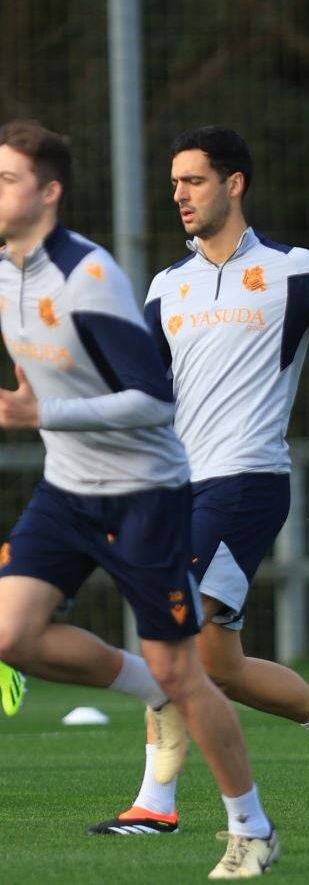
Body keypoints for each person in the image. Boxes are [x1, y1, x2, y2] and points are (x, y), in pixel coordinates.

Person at [88, 126, 309, 836]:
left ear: (235, 184)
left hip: (247, 482)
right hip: (182, 489)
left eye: (193, 180)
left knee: (168, 630)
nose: (179, 195)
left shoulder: (293, 270)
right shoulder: (168, 285)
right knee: (218, 666)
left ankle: (156, 806)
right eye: (174, 183)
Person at [0, 119, 278, 878]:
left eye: (7, 179)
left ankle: (251, 827)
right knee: (11, 633)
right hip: (66, 490)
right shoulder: (4, 270)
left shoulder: (85, 278)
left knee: (188, 673)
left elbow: (153, 400)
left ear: (48, 194)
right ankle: (146, 685)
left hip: (144, 494)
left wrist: (40, 415)